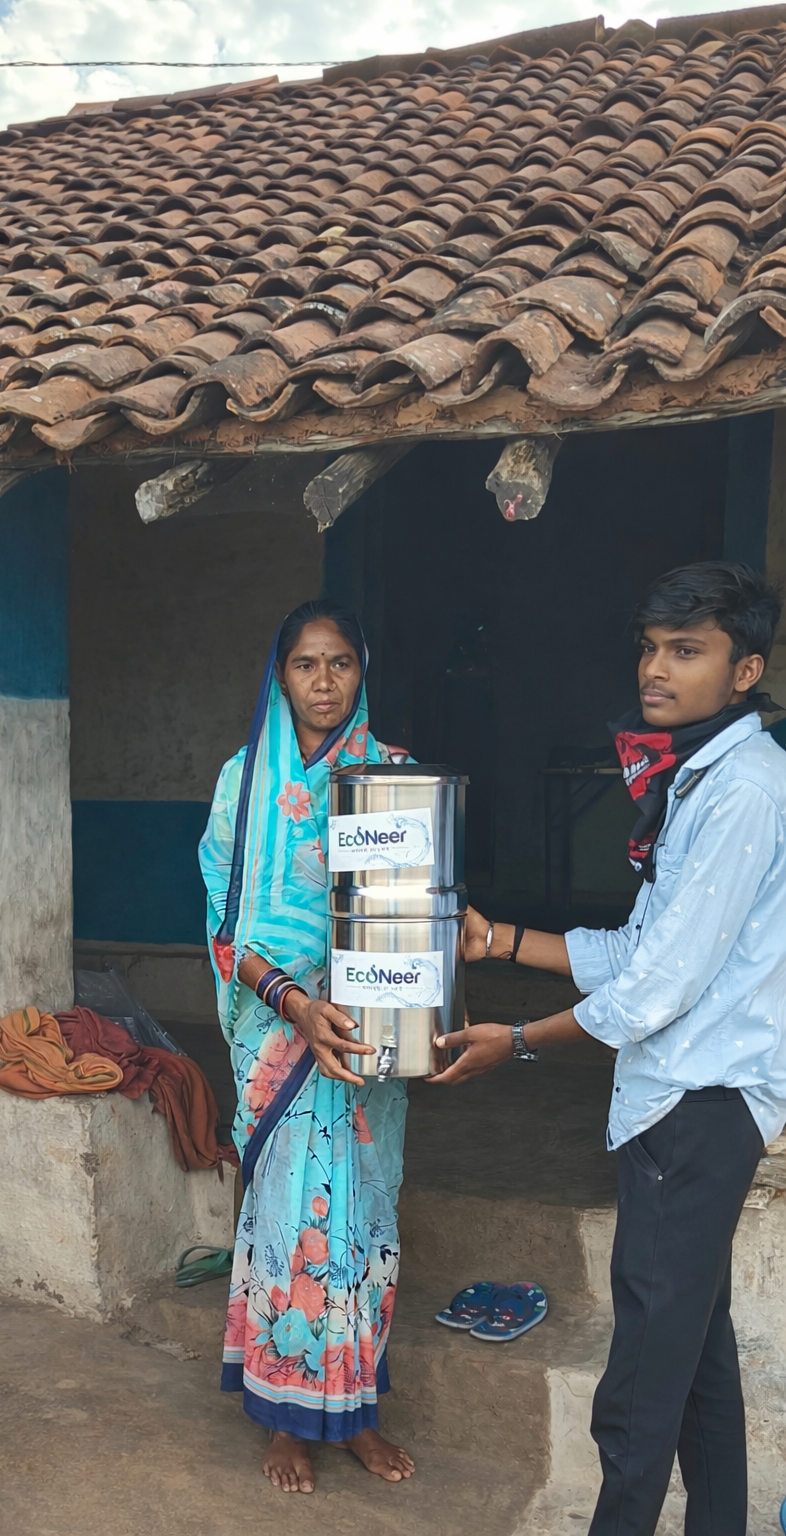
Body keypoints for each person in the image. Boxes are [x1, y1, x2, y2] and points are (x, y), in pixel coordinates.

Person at [434, 562, 786, 1536]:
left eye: (686, 650)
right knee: (698, 1366)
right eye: (649, 646)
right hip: (678, 1107)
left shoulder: (744, 792)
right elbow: (636, 949)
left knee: (635, 1398)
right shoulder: (700, 774)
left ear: (744, 669)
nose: (655, 669)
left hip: (698, 1111)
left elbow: (655, 989)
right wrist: (499, 941)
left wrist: (516, 1038)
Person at [199, 598, 414, 1495]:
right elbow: (220, 922)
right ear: (278, 675)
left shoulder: (396, 780)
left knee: (362, 1221)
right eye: (305, 665)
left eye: (341, 665)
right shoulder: (243, 783)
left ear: (363, 674)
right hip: (280, 1040)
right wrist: (291, 1002)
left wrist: (388, 1009)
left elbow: (418, 912)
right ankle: (282, 1419)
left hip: (365, 1038)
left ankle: (355, 1409)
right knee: (287, 1224)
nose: (324, 683)